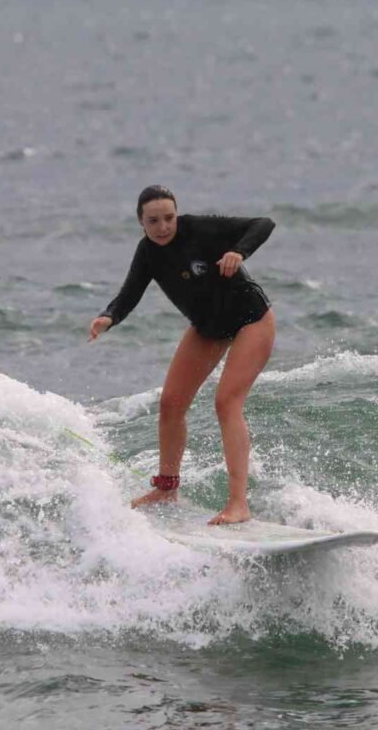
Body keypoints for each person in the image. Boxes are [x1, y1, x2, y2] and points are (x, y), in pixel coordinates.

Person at [89, 185, 276, 525]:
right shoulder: (147, 252)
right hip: (208, 328)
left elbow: (263, 223)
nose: (163, 227)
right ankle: (166, 488)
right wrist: (110, 317)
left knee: (226, 402)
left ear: (178, 214)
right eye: (153, 221)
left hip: (252, 319)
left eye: (169, 218)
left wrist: (239, 252)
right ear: (141, 223)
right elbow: (130, 292)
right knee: (171, 403)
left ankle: (238, 505)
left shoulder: (199, 228)